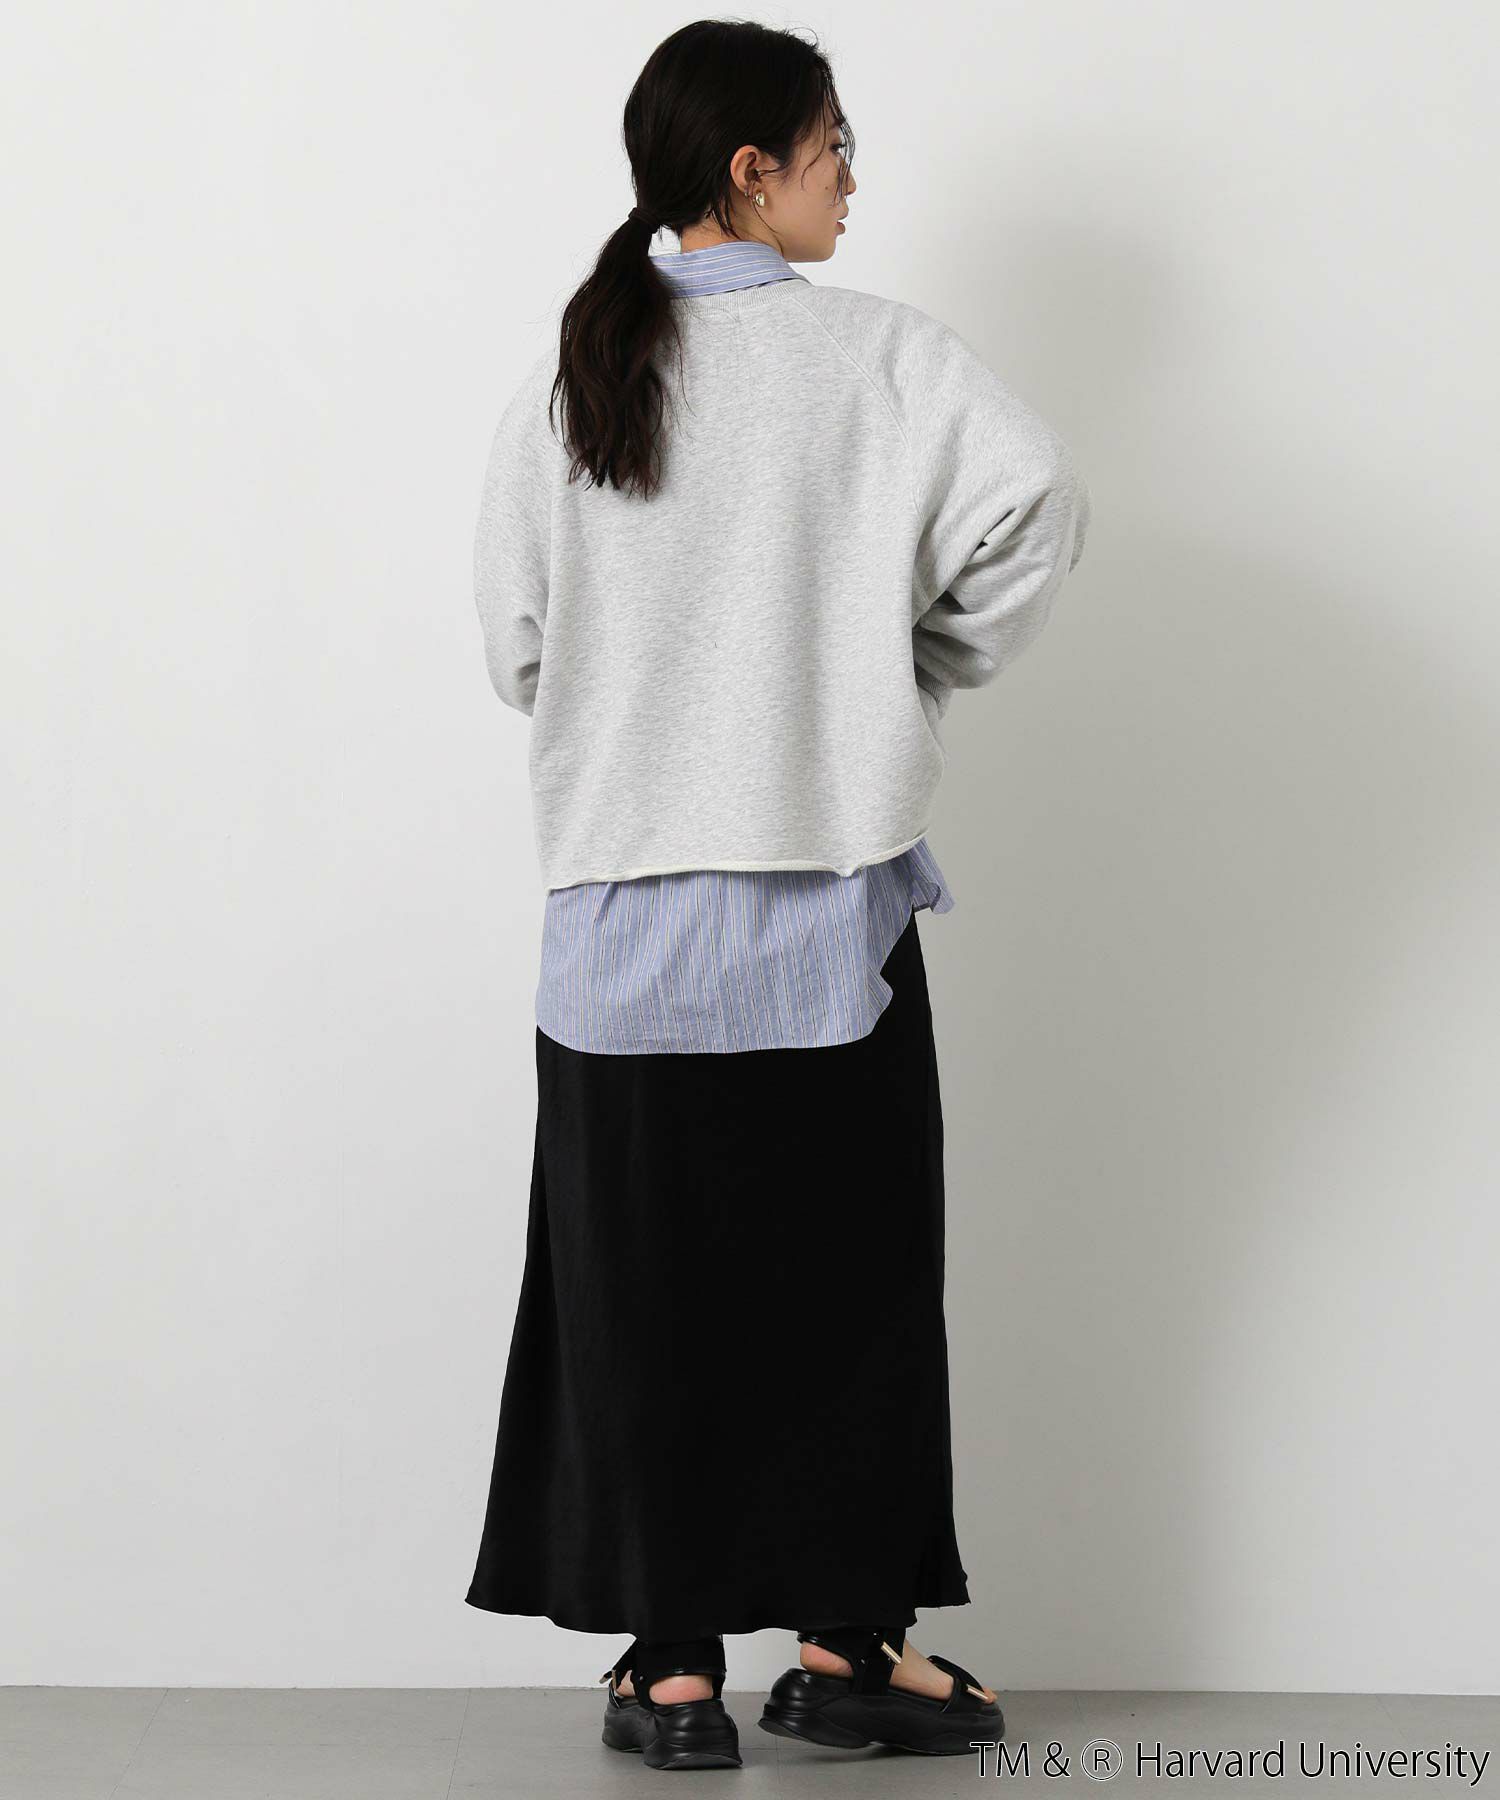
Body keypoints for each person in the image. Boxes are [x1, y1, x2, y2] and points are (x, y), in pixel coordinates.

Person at [462, 17, 1091, 1774]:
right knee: (849, 1304)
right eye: (833, 148)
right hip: (827, 931)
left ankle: (671, 1674)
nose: (853, 180)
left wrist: (637, 707)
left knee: (634, 1305)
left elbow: (517, 651)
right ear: (751, 170)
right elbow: (1039, 502)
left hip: (620, 942)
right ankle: (848, 1646)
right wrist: (904, 667)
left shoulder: (575, 376)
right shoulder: (883, 359)